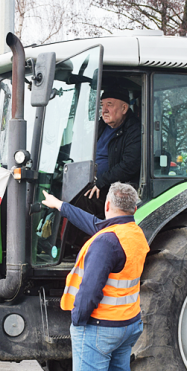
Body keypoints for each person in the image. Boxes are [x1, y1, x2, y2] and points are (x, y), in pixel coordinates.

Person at [42, 182, 149, 371]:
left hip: (99, 329)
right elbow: (92, 224)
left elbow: (89, 291)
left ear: (107, 206)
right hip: (127, 326)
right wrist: (60, 205)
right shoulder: (133, 234)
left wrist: (76, 320)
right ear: (134, 209)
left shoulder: (105, 243)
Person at [64, 87, 141, 253]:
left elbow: (130, 164)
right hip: (91, 180)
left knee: (83, 199)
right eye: (102, 105)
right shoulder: (101, 126)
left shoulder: (134, 130)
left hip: (113, 186)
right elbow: (81, 145)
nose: (104, 110)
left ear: (124, 108)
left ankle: (72, 248)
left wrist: (102, 181)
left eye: (110, 105)